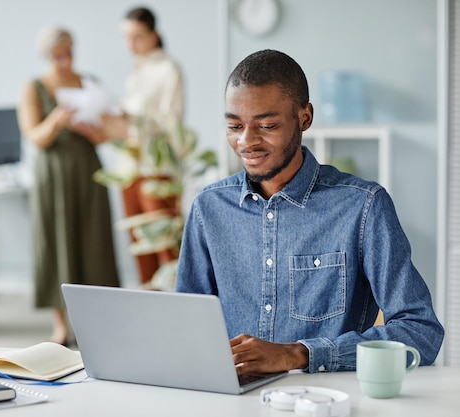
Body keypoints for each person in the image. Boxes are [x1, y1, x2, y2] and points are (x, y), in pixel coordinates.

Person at [174, 49, 444, 376]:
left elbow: (421, 332)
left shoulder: (363, 206)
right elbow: (185, 330)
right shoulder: (208, 208)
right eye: (234, 126)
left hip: (327, 402)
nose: (247, 142)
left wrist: (300, 354)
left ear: (305, 117)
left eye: (267, 125)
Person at [17, 26, 119, 345]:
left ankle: (97, 323)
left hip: (88, 169)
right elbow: (35, 136)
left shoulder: (90, 83)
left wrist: (91, 129)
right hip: (54, 173)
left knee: (93, 241)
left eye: (69, 52)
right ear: (48, 56)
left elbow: (108, 132)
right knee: (57, 242)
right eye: (58, 55)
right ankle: (60, 325)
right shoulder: (34, 88)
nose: (65, 60)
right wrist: (57, 120)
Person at [102, 6, 185, 285]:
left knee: (165, 247)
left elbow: (171, 122)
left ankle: (179, 315)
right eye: (126, 37)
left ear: (154, 34)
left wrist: (133, 119)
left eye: (137, 36)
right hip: (129, 169)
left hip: (156, 170)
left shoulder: (168, 70)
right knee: (140, 250)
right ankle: (146, 315)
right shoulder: (136, 71)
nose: (131, 44)